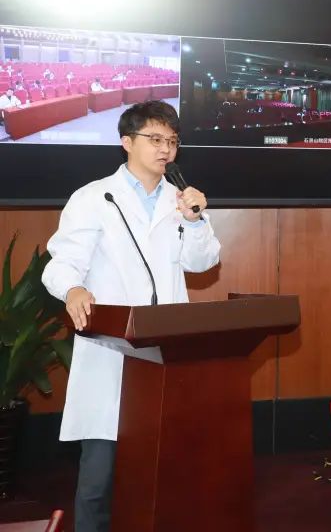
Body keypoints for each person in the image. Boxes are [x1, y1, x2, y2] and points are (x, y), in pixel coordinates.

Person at [42, 101, 221, 532]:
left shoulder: (181, 201)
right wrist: (73, 289)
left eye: (172, 141)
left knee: (165, 474)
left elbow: (203, 263)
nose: (166, 149)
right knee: (99, 479)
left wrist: (196, 222)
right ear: (126, 142)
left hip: (165, 352)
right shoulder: (94, 198)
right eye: (155, 139)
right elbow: (60, 263)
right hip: (112, 350)